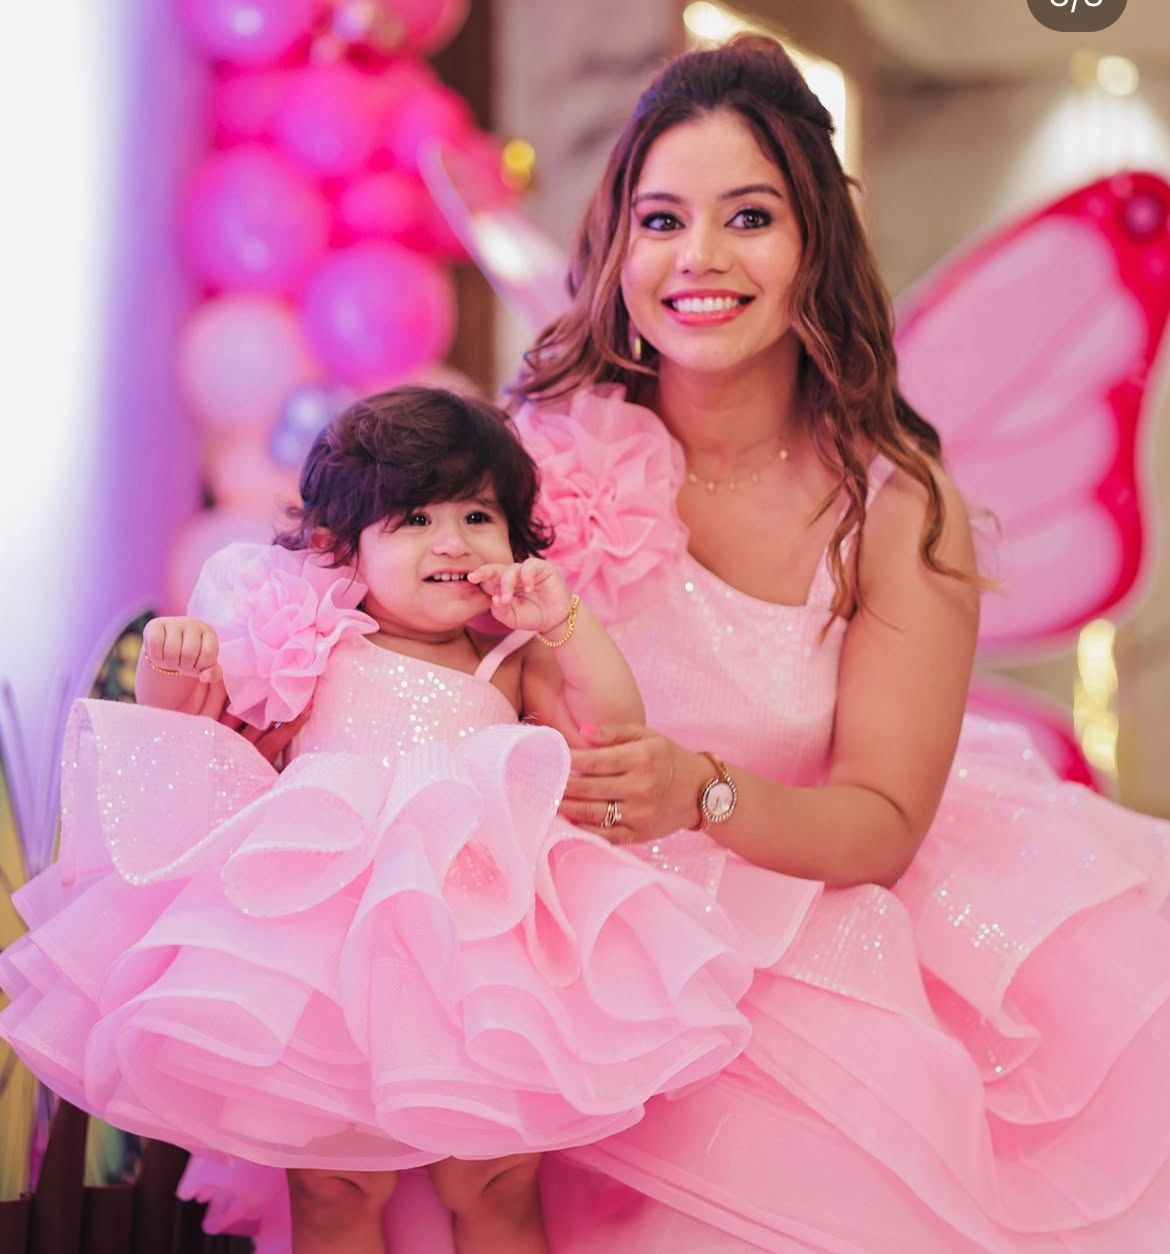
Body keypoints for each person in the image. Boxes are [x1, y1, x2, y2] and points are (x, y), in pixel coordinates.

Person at [496, 32, 1170, 1253]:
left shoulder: (898, 508)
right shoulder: (534, 463)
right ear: (620, 250)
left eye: (749, 218)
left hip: (802, 961)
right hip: (551, 961)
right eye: (662, 221)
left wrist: (696, 793)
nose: (700, 258)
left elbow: (882, 822)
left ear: (815, 245)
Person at [0, 387, 776, 1253]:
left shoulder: (510, 659)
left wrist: (564, 621)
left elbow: (611, 722)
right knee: (332, 1189)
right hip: (321, 946)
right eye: (414, 519)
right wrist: (171, 673)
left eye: (478, 515)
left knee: (494, 1177)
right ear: (346, 548)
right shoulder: (314, 645)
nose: (453, 541)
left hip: (485, 948)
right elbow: (202, 741)